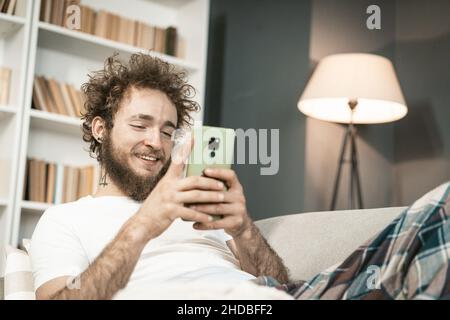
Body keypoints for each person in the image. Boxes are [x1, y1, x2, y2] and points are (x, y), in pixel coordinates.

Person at [29, 53, 289, 300]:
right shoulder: (63, 220)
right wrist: (143, 225)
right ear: (100, 129)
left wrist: (243, 229)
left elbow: (282, 286)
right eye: (140, 125)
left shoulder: (199, 209)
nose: (156, 142)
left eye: (167, 132)